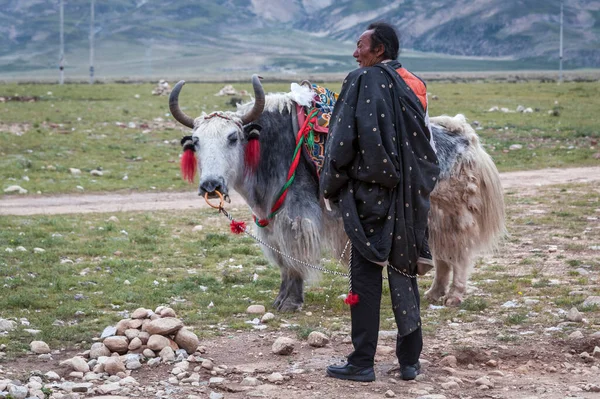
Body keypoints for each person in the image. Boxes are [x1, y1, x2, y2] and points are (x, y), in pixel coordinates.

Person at [320, 21, 440, 382]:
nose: (355, 53)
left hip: (370, 194)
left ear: (379, 50)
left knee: (366, 275)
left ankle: (361, 363)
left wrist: (331, 185)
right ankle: (409, 363)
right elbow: (423, 143)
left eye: (361, 46)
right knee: (405, 273)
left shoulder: (360, 80)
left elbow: (342, 141)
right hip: (411, 195)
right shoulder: (414, 82)